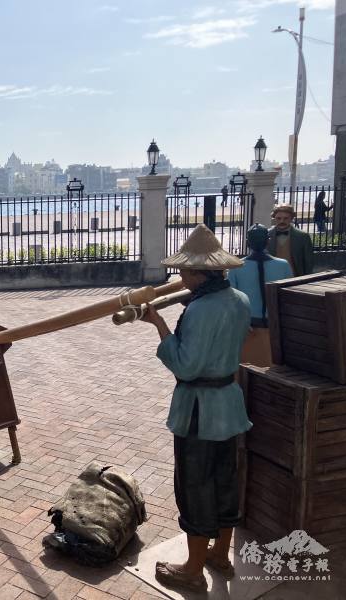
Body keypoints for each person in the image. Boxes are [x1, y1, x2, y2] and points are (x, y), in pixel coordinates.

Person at [140, 224, 252, 593]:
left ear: (201, 272)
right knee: (225, 479)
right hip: (229, 405)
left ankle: (193, 569)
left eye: (185, 270)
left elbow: (186, 366)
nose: (180, 276)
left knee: (196, 485)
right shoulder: (239, 299)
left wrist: (159, 325)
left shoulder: (200, 309)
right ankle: (221, 554)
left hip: (199, 412)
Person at [228, 224, 293, 367]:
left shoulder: (235, 267)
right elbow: (290, 299)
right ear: (268, 241)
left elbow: (230, 301)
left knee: (248, 372)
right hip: (276, 329)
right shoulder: (283, 265)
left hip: (248, 328)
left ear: (247, 242)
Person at [266, 204, 313, 277]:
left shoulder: (303, 236)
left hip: (295, 279)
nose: (282, 221)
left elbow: (308, 263)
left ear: (291, 218)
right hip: (271, 278)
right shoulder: (266, 235)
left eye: (286, 218)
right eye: (278, 218)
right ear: (274, 218)